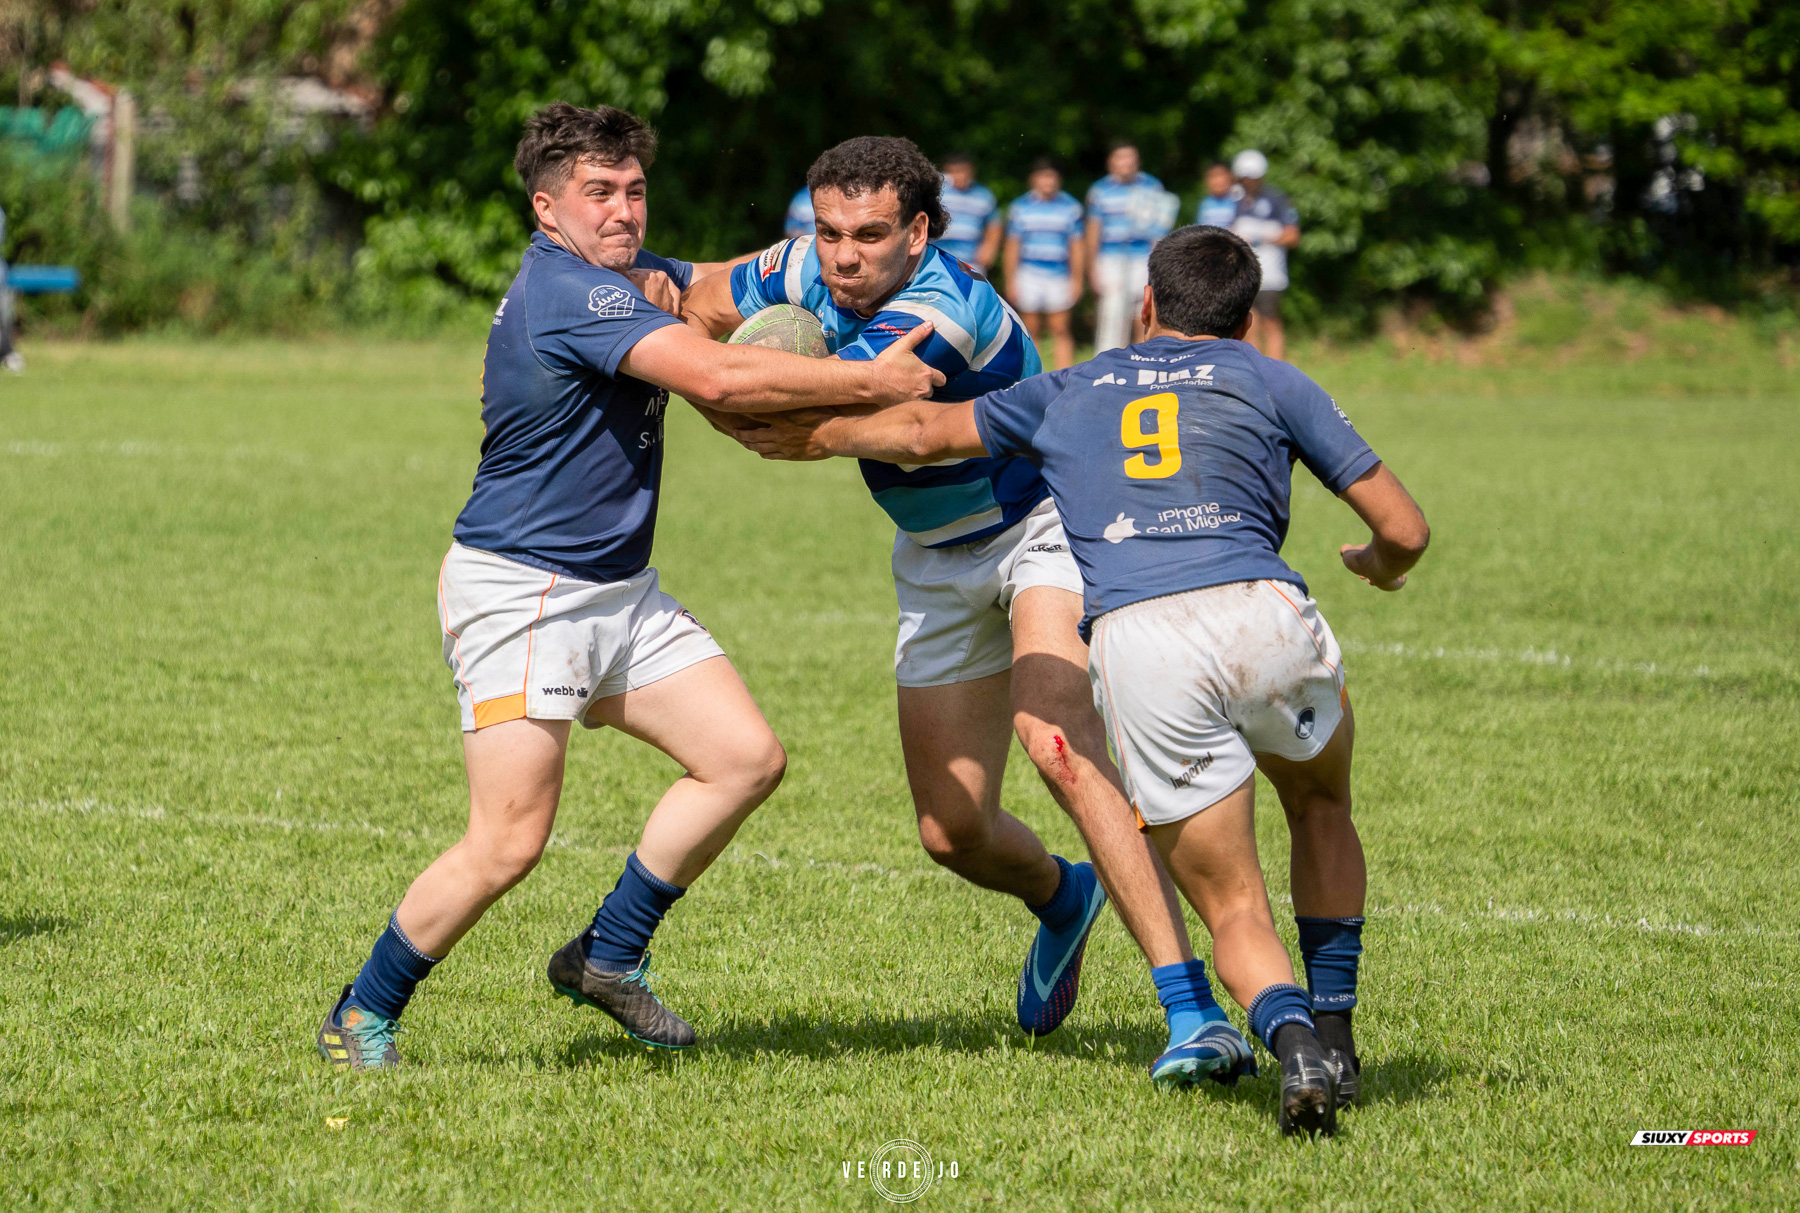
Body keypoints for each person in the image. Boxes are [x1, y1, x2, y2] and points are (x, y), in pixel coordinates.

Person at [734, 225, 1431, 1137]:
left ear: (1144, 306)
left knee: (1230, 900)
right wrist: (1374, 562)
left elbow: (918, 431)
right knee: (1321, 804)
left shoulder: (1076, 386)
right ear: (1251, 321)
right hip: (1267, 614)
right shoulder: (1269, 376)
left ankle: (1288, 1037)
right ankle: (1334, 1037)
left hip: (1145, 638)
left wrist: (795, 426)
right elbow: (1406, 530)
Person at [315, 103, 945, 1071]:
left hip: (616, 590)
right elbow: (723, 384)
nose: (622, 210)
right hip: (523, 591)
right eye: (597, 193)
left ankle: (608, 954)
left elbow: (721, 284)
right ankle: (362, 1009)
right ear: (546, 207)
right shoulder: (573, 291)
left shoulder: (621, 275)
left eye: (634, 190)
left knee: (744, 758)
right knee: (509, 840)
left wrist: (832, 256)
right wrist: (873, 382)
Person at [682, 136, 1198, 1041]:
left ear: (918, 231)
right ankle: (1063, 894)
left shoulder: (943, 307)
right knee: (951, 830)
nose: (843, 256)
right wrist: (665, 321)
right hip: (933, 553)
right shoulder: (807, 265)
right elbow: (703, 293)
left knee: (1059, 745)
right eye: (830, 230)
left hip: (1044, 527)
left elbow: (831, 419)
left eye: (871, 234)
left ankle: (1189, 1010)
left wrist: (717, 379)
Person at [1084, 142, 1176, 351]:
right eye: (1120, 158)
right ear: (1111, 162)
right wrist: (1092, 268)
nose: (1126, 163)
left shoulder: (1152, 186)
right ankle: (1107, 362)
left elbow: (1160, 228)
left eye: (1130, 158)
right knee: (1112, 312)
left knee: (1144, 311)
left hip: (1143, 255)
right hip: (1110, 256)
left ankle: (1143, 357)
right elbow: (1093, 231)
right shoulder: (1100, 190)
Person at [1002, 158, 1085, 370]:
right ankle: (1033, 375)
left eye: (1051, 177)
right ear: (1033, 180)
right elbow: (1013, 246)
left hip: (1059, 274)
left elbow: (1076, 247)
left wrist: (1077, 279)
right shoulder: (1020, 208)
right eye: (1043, 177)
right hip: (1029, 273)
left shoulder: (1071, 207)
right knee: (1031, 328)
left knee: (1061, 328)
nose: (1047, 181)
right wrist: (1011, 280)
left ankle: (1064, 376)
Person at [1228, 149, 1301, 361]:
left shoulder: (1276, 199)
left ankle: (1276, 369)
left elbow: (1293, 235)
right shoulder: (1235, 201)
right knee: (1249, 323)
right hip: (1243, 273)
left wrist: (1262, 237)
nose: (1249, 182)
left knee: (1271, 322)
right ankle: (1255, 371)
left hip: (1271, 274)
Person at [932, 151, 1003, 271]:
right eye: (955, 171)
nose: (960, 176)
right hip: (937, 256)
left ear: (972, 171)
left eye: (963, 171)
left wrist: (989, 249)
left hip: (971, 260)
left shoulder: (983, 195)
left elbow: (994, 224)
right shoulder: (937, 192)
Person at [1196, 162, 1238, 229]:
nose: (1217, 181)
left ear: (1230, 177)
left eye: (1221, 175)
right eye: (1213, 176)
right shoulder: (1204, 204)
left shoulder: (1237, 201)